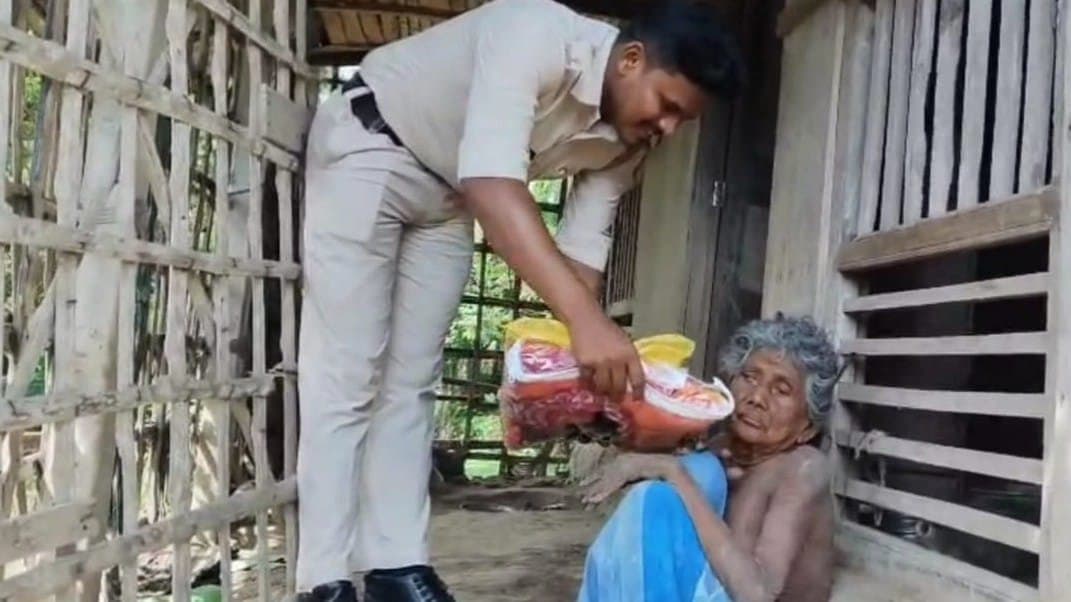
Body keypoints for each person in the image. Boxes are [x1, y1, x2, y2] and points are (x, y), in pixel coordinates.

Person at [296, 0, 745, 600]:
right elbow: (492, 183)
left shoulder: (629, 143)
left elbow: (579, 265)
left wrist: (578, 381)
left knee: (412, 382)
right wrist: (588, 325)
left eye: (681, 121)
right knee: (347, 375)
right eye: (667, 107)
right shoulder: (532, 33)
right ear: (631, 61)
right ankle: (322, 579)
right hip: (373, 146)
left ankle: (395, 568)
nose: (667, 129)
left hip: (447, 200)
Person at [578, 315, 839, 602]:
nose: (757, 398)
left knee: (674, 485)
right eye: (750, 377)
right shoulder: (717, 452)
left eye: (781, 390)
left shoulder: (803, 469)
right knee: (673, 488)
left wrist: (674, 472)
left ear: (807, 428)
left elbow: (758, 594)